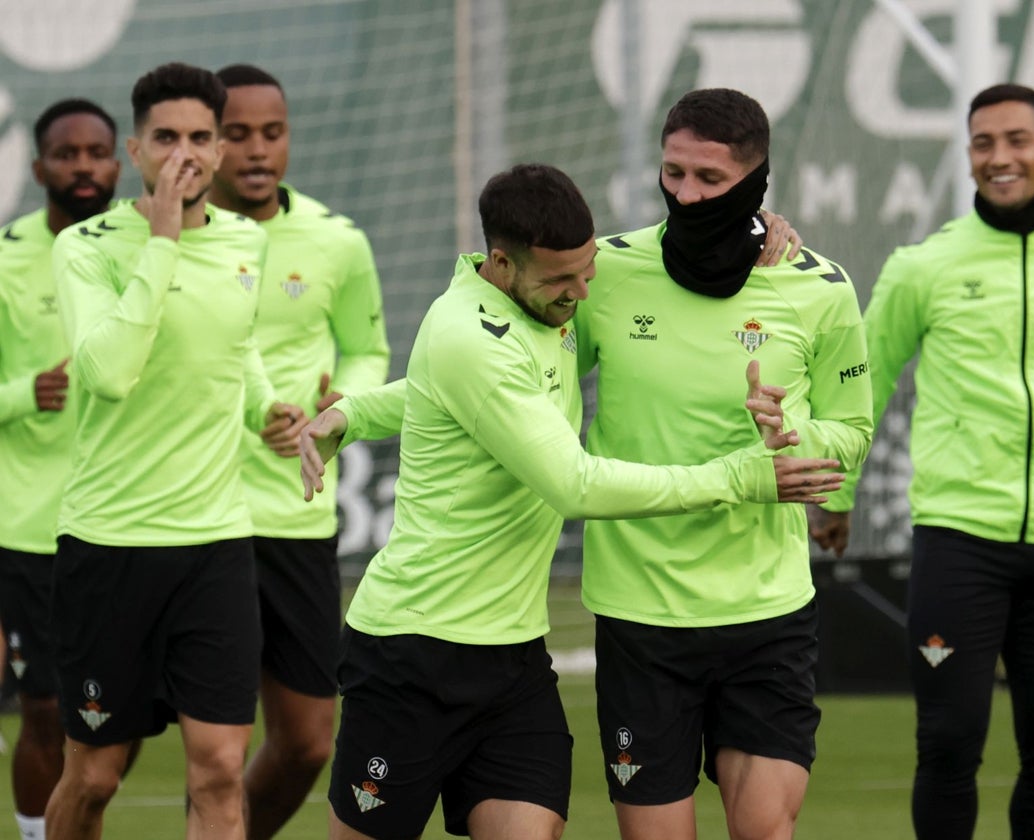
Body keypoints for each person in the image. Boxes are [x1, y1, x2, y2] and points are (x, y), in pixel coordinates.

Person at [299, 162, 845, 840]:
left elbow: (435, 395)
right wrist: (743, 478)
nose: (582, 292)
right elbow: (575, 485)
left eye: (588, 272)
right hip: (414, 649)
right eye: (564, 280)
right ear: (500, 262)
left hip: (514, 657)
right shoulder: (468, 335)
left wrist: (353, 414)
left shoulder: (540, 307)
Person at [810, 83, 1034, 839]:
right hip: (957, 543)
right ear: (968, 155)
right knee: (946, 743)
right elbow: (860, 384)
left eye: (1015, 140)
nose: (999, 158)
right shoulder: (924, 266)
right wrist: (835, 494)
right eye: (982, 143)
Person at [571, 87, 873, 840]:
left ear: (757, 182)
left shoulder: (821, 289)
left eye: (709, 180)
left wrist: (789, 431)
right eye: (673, 173)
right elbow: (509, 361)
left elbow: (853, 433)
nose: (685, 193)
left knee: (764, 831)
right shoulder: (603, 273)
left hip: (765, 612)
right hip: (641, 617)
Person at [44, 63, 302, 840]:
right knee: (91, 778)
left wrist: (268, 411)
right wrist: (160, 244)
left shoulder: (246, 243)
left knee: (220, 769)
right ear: (135, 150)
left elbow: (239, 348)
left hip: (215, 543)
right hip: (108, 545)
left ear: (219, 151)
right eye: (166, 138)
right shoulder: (87, 247)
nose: (183, 154)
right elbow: (110, 374)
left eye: (199, 137)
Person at [209, 63, 390, 840]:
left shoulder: (336, 241)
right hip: (195, 516)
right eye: (236, 134)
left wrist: (337, 409)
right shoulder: (164, 242)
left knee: (311, 740)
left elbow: (367, 351)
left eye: (271, 133)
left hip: (295, 514)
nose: (256, 150)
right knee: (206, 750)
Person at [0, 98, 121, 840]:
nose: (82, 165)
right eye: (66, 153)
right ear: (38, 165)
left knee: (112, 723)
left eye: (97, 151)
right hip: (31, 529)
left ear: (119, 161)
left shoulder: (146, 251)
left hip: (128, 525)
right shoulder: (5, 258)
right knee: (47, 713)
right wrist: (24, 392)